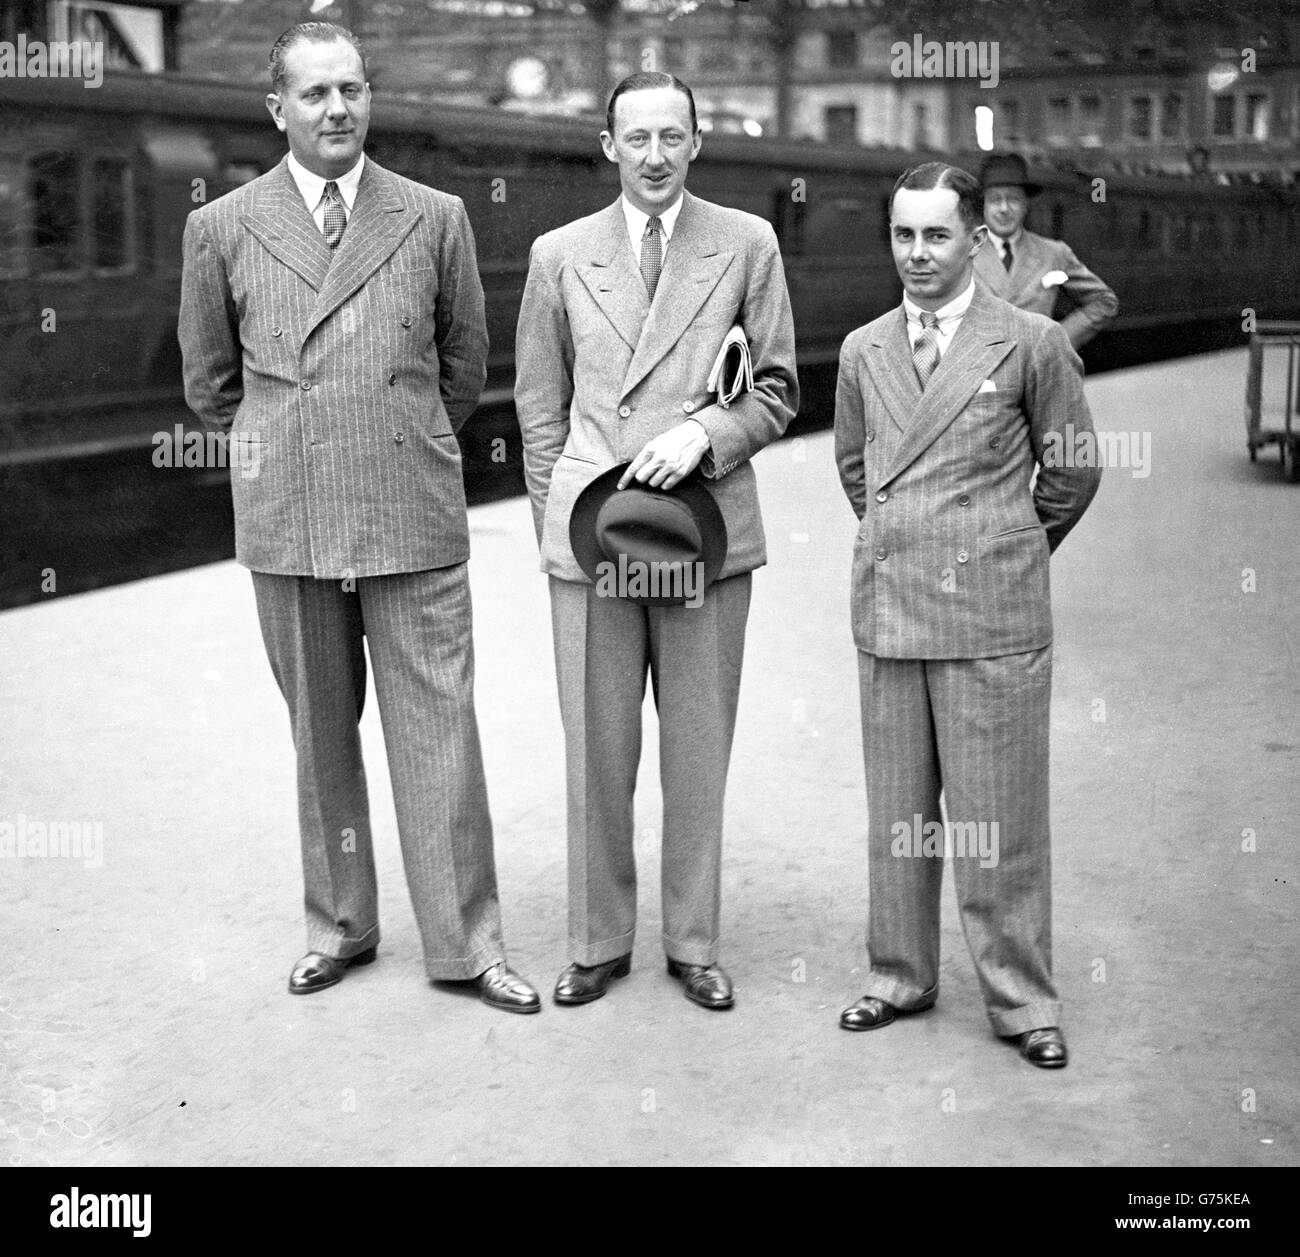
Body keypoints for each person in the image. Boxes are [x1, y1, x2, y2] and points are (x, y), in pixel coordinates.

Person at [178, 22, 539, 1013]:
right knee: (318, 735)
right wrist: (291, 441)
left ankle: (467, 946)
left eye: (351, 90)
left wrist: (394, 430)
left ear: (367, 98)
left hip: (407, 510)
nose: (336, 110)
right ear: (277, 109)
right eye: (314, 94)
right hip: (288, 516)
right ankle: (339, 927)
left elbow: (463, 364)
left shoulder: (433, 217)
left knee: (438, 732)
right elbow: (213, 383)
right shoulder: (223, 227)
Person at [514, 72, 798, 1011]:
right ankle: (597, 941)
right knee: (596, 749)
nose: (655, 155)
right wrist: (560, 515)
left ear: (697, 142)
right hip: (593, 537)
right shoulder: (559, 254)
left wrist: (706, 436)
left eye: (672, 136)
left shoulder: (747, 244)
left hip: (706, 532)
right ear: (608, 147)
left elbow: (780, 388)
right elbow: (538, 408)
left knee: (698, 747)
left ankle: (694, 940)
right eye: (636, 138)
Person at [833, 162, 1101, 1067]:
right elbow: (856, 469)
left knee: (1000, 819)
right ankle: (898, 975)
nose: (917, 254)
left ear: (975, 241)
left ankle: (1025, 1001)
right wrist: (901, 541)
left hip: (991, 617)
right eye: (903, 235)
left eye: (936, 235)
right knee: (899, 816)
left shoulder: (1030, 341)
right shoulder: (864, 348)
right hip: (893, 610)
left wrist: (1006, 549)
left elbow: (1071, 469)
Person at [973, 152, 1118, 351]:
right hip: (979, 377)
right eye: (995, 200)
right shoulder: (962, 253)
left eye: (1013, 199)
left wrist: (1058, 340)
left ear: (1026, 205)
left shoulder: (1054, 253)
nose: (1004, 208)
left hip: (1037, 377)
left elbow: (1104, 302)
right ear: (983, 206)